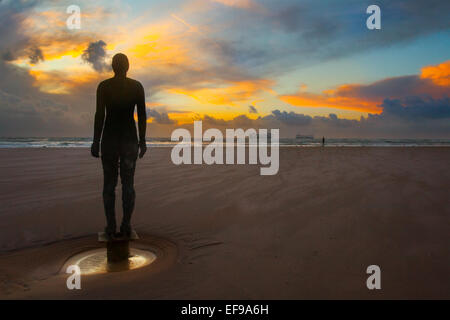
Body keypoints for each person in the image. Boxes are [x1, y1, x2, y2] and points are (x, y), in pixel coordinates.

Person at [91, 53, 147, 238]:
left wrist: (95, 141)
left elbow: (100, 115)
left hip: (109, 140)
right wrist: (143, 140)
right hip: (130, 140)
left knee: (109, 185)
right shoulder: (136, 86)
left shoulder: (104, 86)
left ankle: (111, 226)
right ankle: (126, 225)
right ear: (127, 66)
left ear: (113, 67)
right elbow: (142, 116)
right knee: (128, 185)